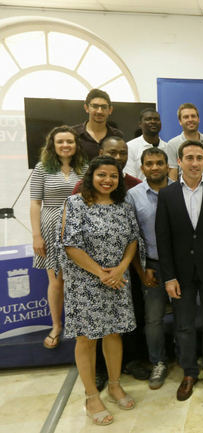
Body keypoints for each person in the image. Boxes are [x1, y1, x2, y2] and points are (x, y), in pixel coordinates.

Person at [60, 156, 142, 425]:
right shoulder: (75, 204)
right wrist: (101, 273)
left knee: (113, 332)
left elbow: (132, 239)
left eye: (113, 176)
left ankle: (115, 384)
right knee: (86, 338)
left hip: (118, 278)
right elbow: (70, 245)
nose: (107, 180)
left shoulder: (123, 204)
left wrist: (120, 269)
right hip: (85, 281)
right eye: (102, 175)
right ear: (90, 177)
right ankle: (91, 395)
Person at [155, 140, 203, 400]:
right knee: (184, 326)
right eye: (189, 158)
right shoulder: (167, 195)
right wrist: (169, 277)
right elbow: (163, 239)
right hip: (181, 274)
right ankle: (189, 372)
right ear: (179, 161)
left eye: (199, 157)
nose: (195, 163)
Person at [30, 126, 87, 349]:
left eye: (70, 141)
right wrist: (36, 235)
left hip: (79, 227)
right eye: (60, 141)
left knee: (80, 279)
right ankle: (56, 326)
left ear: (76, 145)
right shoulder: (42, 168)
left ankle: (81, 325)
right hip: (50, 226)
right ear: (52, 145)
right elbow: (35, 203)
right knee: (56, 281)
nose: (65, 145)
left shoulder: (85, 167)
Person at [125, 147, 173, 390]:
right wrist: (142, 269)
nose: (155, 167)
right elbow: (133, 237)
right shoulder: (133, 196)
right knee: (153, 319)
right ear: (142, 167)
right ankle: (158, 361)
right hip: (152, 266)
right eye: (150, 163)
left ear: (167, 165)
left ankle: (188, 358)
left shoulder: (182, 189)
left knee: (188, 315)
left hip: (181, 267)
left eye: (160, 163)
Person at [165, 103, 203, 180]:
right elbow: (172, 176)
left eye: (193, 116)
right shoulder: (172, 144)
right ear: (180, 121)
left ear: (198, 119)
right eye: (186, 117)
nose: (190, 119)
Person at [73, 88, 123, 160]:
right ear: (86, 108)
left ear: (110, 110)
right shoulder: (74, 133)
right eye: (95, 106)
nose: (99, 111)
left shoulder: (117, 135)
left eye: (104, 107)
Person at [125, 109, 169, 180]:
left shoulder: (168, 147)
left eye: (156, 119)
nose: (153, 122)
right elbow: (131, 178)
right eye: (148, 119)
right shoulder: (130, 147)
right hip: (138, 190)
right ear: (140, 124)